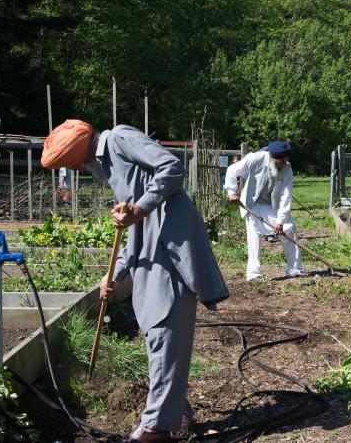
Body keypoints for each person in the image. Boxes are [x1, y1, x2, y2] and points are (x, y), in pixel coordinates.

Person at [41, 119, 229, 443]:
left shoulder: (119, 139)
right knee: (154, 325)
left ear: (79, 153)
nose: (79, 171)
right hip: (150, 245)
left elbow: (171, 167)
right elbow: (132, 229)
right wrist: (112, 276)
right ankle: (178, 412)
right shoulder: (108, 164)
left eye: (73, 164)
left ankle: (156, 428)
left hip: (170, 244)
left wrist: (139, 208)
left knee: (163, 325)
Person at [223, 141, 306, 281]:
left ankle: (294, 269)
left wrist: (280, 220)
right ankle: (253, 274)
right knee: (254, 235)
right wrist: (232, 192)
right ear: (271, 157)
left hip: (272, 205)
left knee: (289, 228)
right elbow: (232, 170)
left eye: (285, 161)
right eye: (280, 162)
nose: (282, 164)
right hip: (252, 203)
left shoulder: (287, 169)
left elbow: (286, 195)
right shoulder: (255, 158)